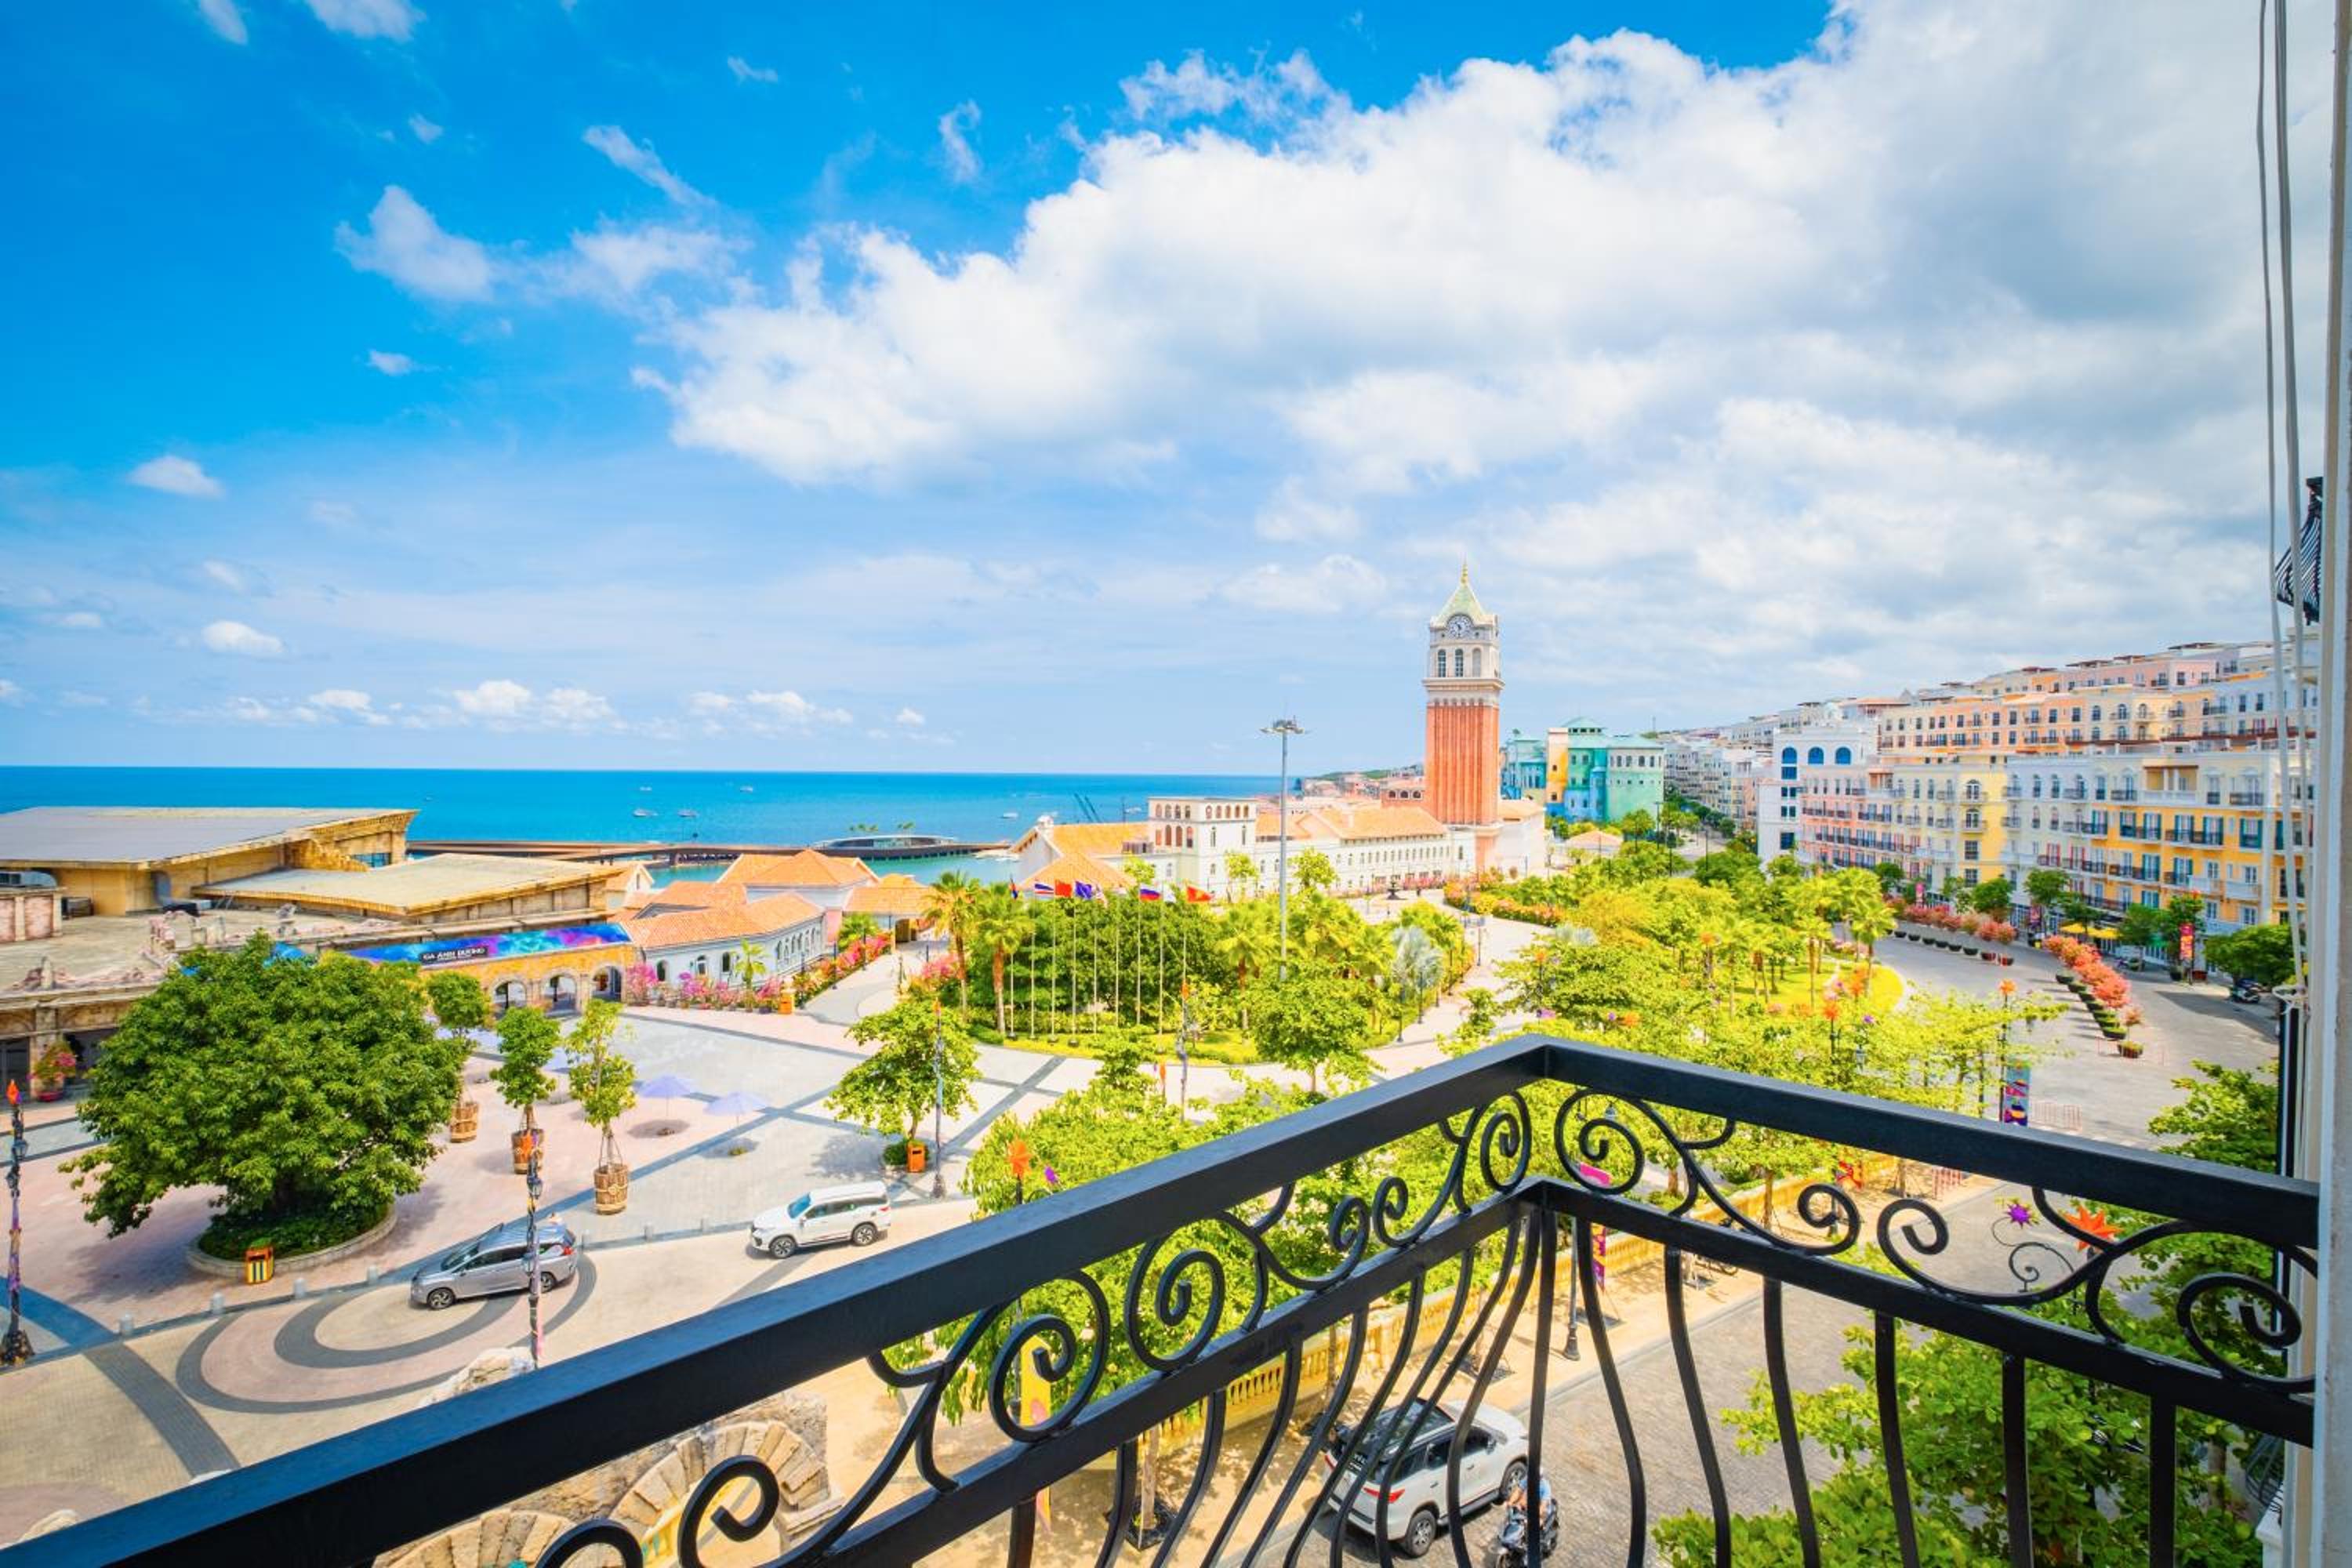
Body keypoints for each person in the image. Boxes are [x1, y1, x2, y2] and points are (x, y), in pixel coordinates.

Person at [1497, 1472, 1556, 1563]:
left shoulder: (1546, 1487)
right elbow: (1519, 1491)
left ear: (1541, 1477)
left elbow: (1543, 1507)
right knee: (1513, 1515)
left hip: (1541, 1511)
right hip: (1529, 1505)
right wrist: (1510, 1502)